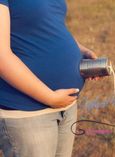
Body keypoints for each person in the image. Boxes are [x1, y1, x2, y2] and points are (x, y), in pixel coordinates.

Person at [0, 1, 97, 157]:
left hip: (66, 106)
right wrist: (50, 97)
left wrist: (82, 51)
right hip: (27, 112)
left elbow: (51, 25)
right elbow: (1, 57)